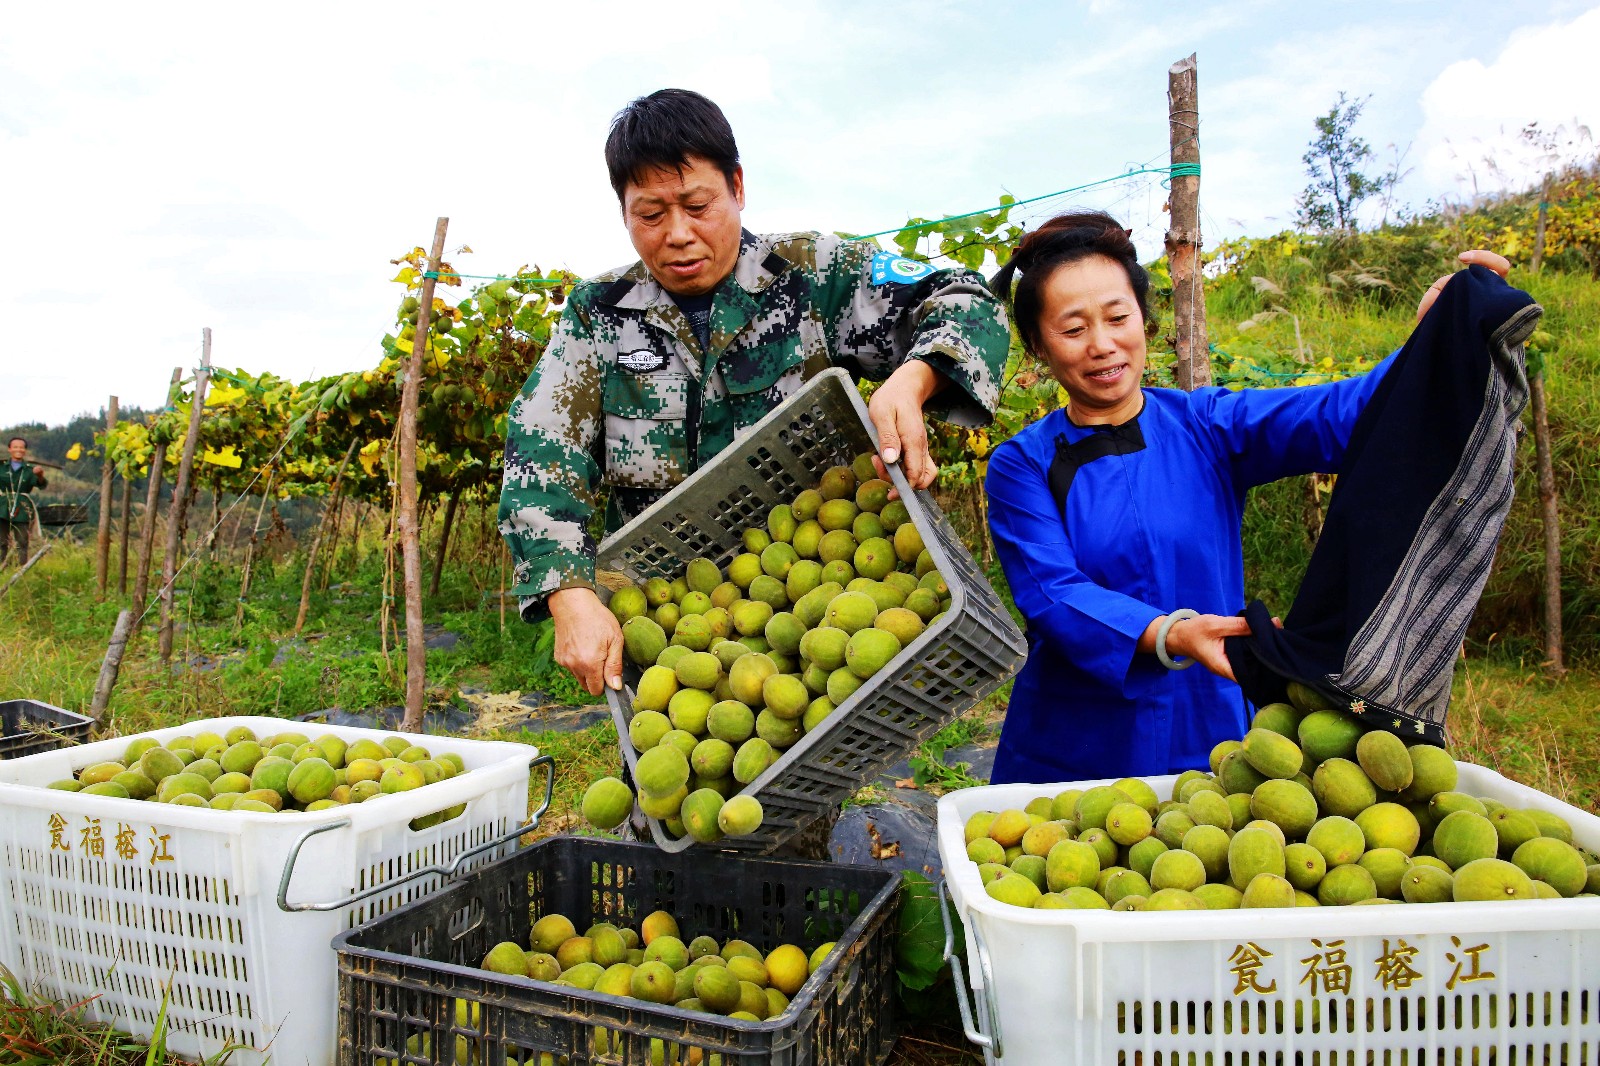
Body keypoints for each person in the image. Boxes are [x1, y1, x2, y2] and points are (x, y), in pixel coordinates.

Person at [499, 89, 1012, 695]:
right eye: (651, 214)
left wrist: (913, 377)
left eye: (698, 205)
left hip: (822, 593)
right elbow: (541, 449)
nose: (679, 234)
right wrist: (568, 592)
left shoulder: (815, 277)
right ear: (624, 213)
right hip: (673, 629)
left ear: (737, 187)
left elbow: (965, 299)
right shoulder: (598, 317)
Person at [982, 210, 1509, 785]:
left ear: (1143, 319)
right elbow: (1054, 593)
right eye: (1074, 329)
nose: (1103, 345)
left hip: (1207, 718)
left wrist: (1432, 342)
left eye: (1117, 317)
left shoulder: (1206, 425)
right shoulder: (1022, 464)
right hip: (1078, 736)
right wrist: (1172, 633)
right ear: (1038, 346)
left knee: (1205, 850)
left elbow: (1343, 415)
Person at [1, 436, 48, 566]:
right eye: (15, 447)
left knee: (22, 541)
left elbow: (41, 485)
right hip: (2, 506)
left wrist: (39, 475)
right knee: (1, 541)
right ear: (10, 449)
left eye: (21, 447)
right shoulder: (2, 467)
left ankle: (21, 568)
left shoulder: (29, 470)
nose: (19, 449)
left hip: (22, 507)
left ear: (25, 451)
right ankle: (1, 567)